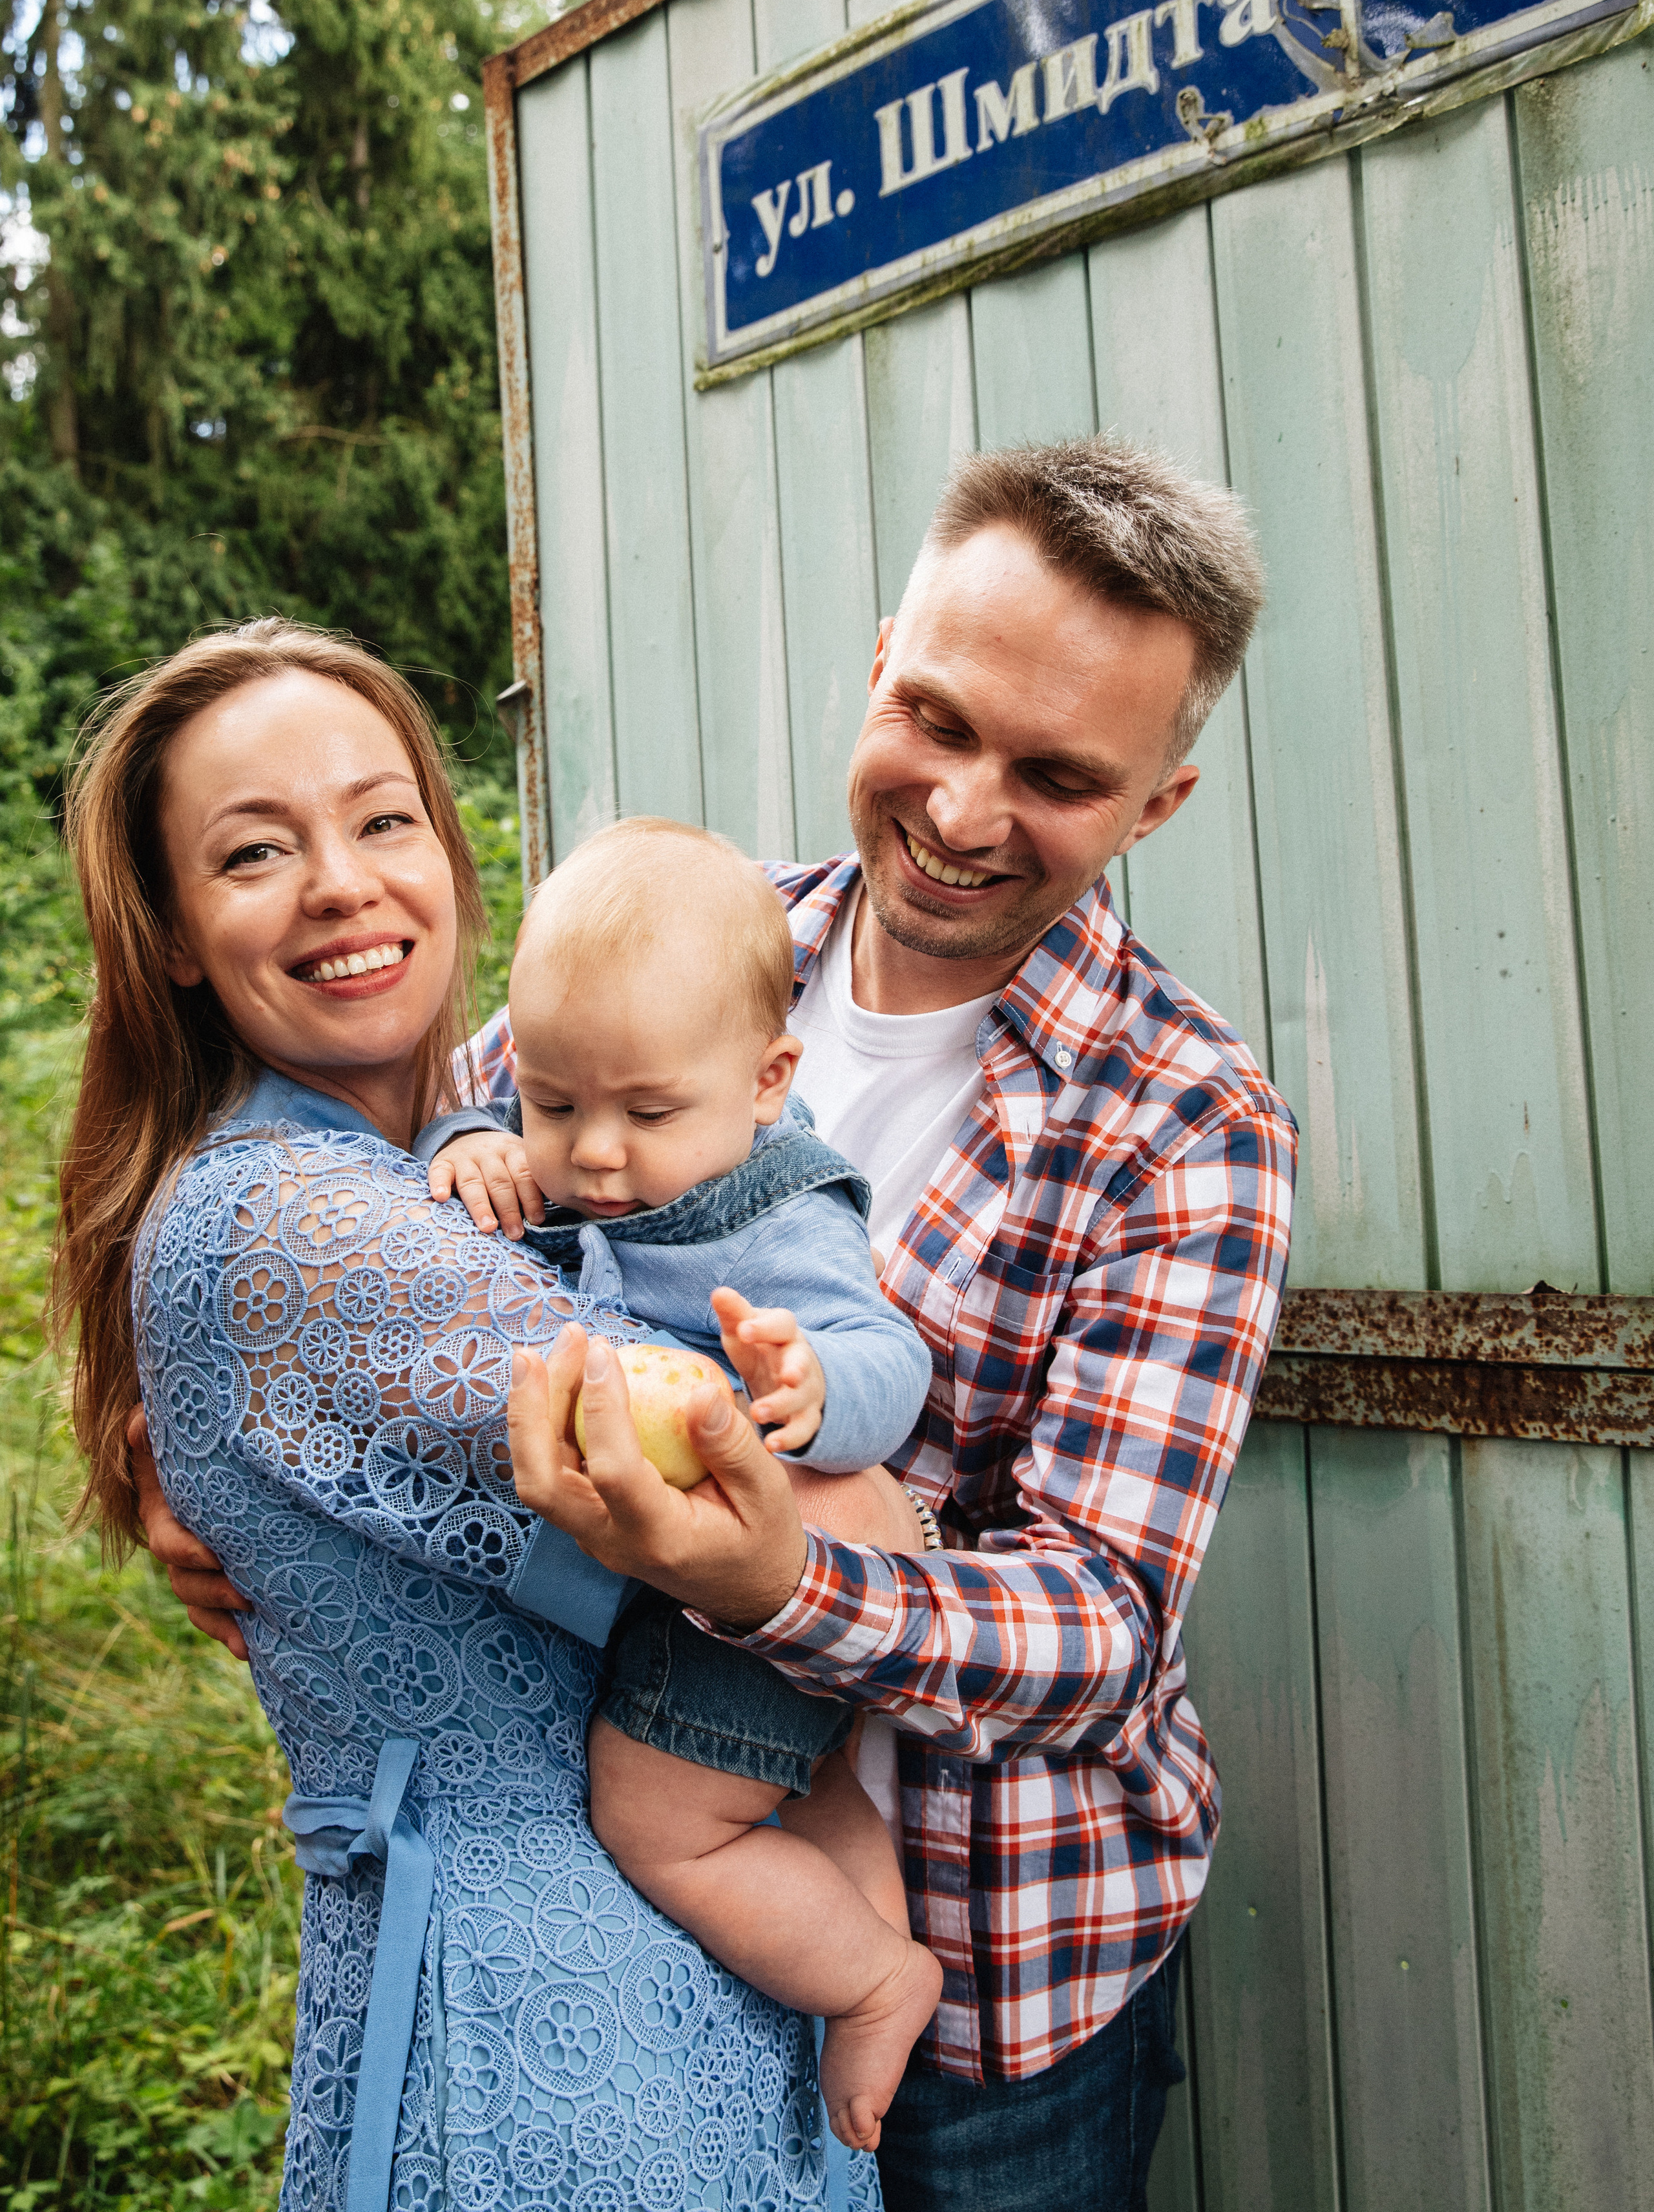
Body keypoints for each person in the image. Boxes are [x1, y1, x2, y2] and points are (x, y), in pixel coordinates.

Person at [141, 436, 1299, 2212]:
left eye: (1060, 775)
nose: (968, 810)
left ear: (1161, 803)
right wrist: (190, 1459)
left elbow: (1105, 1627)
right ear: (880, 669)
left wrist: (786, 1582)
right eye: (939, 719)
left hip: (1003, 1967)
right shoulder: (686, 944)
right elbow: (416, 1219)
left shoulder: (1186, 1120)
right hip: (679, 1957)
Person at [61, 619, 882, 2212]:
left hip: (679, 2004)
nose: (342, 882)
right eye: (253, 852)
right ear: (170, 930)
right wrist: (883, 1500)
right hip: (541, 2047)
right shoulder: (302, 1222)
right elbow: (745, 1498)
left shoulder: (487, 1144)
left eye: (382, 820)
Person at [417, 817, 943, 2149]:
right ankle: (862, 1927)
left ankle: (880, 1980)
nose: (591, 1154)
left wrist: (813, 1386)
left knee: (660, 1821)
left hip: (767, 1588)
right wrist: (469, 1137)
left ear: (769, 1080)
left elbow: (895, 1355)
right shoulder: (593, 1112)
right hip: (714, 1604)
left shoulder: (775, 1211)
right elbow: (490, 1111)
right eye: (551, 1102)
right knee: (801, 1789)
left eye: (646, 1113)